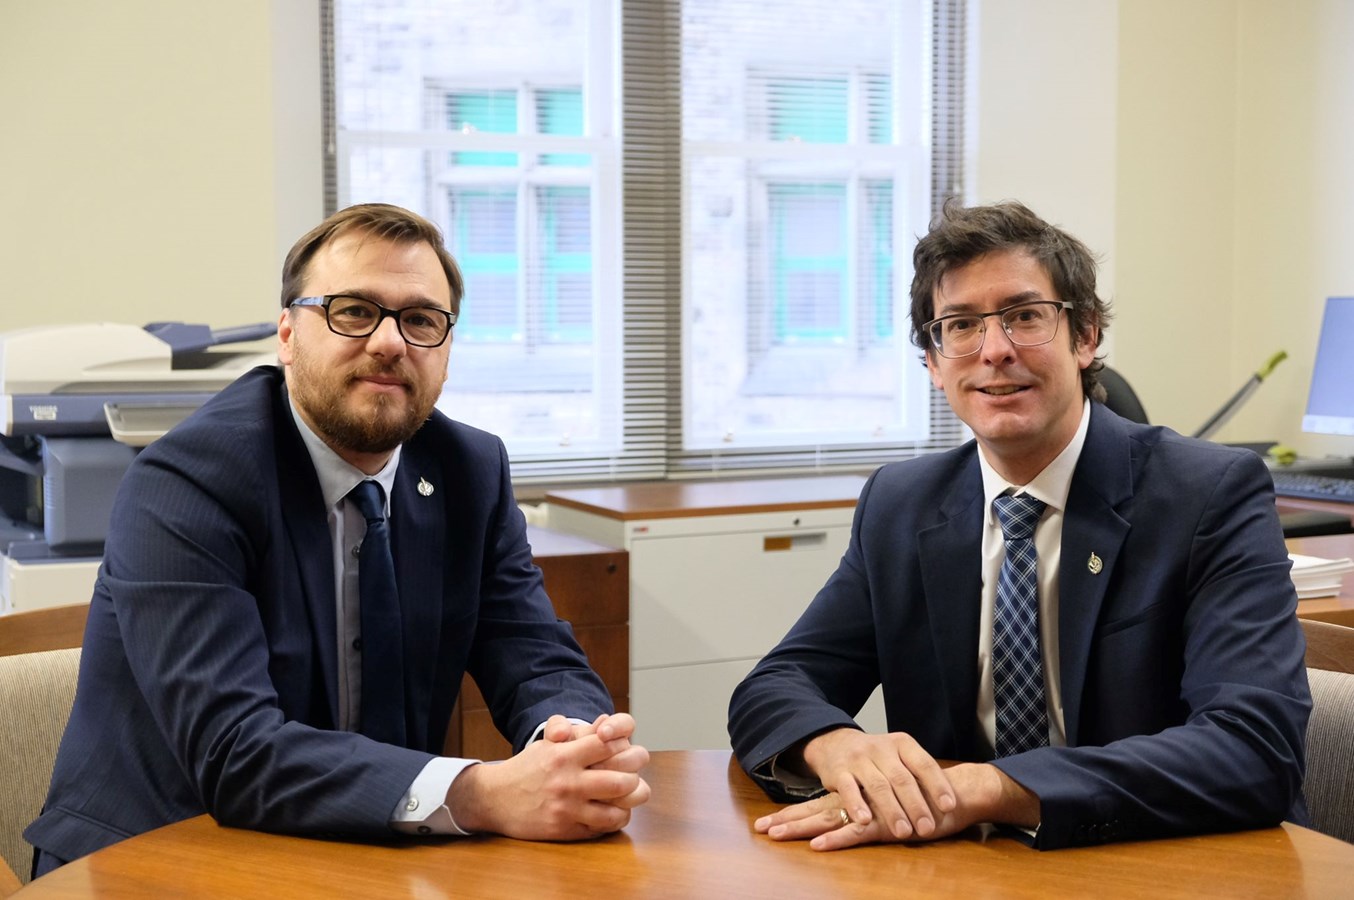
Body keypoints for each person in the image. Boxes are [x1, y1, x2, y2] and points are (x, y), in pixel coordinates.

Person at [27, 203, 649, 872]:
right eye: (353, 311)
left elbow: (535, 656)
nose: (389, 342)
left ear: (446, 351)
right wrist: (480, 792)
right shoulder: (189, 481)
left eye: (421, 320)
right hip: (161, 859)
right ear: (287, 335)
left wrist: (573, 740)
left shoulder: (469, 470)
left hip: (364, 850)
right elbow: (235, 751)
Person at [727, 199, 1310, 850]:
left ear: (1085, 337)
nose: (995, 351)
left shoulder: (1208, 495)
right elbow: (775, 686)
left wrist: (994, 788)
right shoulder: (901, 503)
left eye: (1025, 316)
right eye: (961, 326)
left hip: (1165, 859)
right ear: (933, 362)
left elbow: (1254, 749)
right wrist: (833, 744)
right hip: (969, 870)